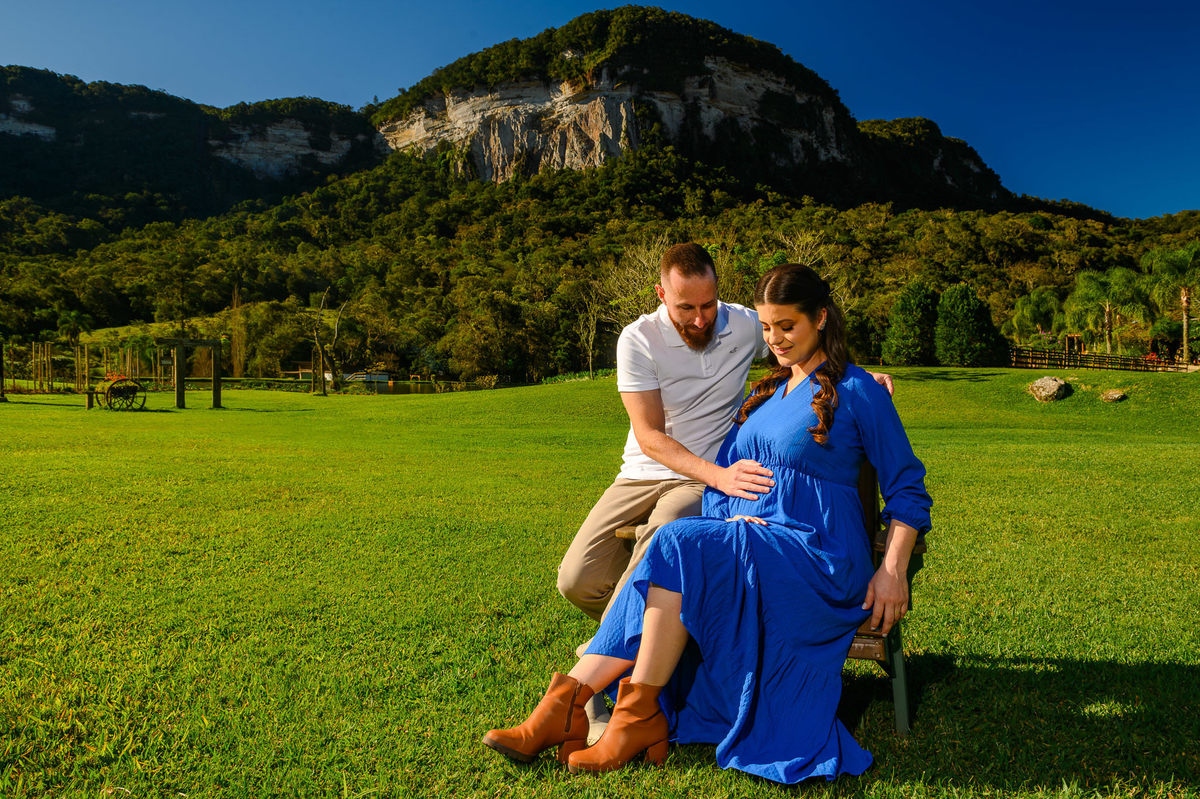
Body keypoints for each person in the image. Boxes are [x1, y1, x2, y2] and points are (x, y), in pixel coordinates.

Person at [483, 263, 931, 783]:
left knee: (675, 541)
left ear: (821, 318)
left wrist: (892, 569)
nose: (774, 339)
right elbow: (723, 483)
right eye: (767, 327)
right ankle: (595, 711)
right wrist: (733, 519)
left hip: (818, 557)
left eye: (787, 326)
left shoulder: (857, 391)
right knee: (678, 544)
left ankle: (591, 712)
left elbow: (907, 489)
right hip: (754, 546)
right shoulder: (765, 396)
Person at [555, 243, 893, 738]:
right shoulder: (638, 339)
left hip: (705, 478)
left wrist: (858, 377)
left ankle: (599, 687)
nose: (699, 319)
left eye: (708, 305)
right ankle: (645, 638)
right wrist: (720, 480)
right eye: (685, 308)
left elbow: (805, 338)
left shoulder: (745, 323)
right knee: (576, 579)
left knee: (669, 536)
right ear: (661, 295)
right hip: (647, 470)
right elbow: (649, 436)